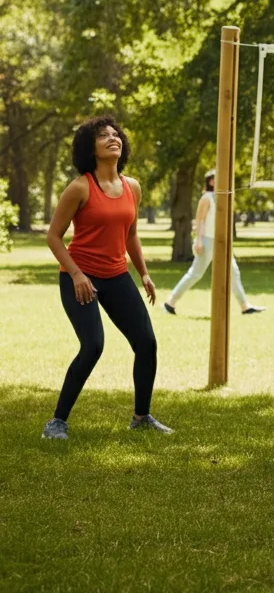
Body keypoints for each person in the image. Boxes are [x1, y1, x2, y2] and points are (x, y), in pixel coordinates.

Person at [42, 117, 171, 440]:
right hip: (80, 277)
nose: (112, 138)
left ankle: (141, 417)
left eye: (116, 135)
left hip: (117, 276)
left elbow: (131, 235)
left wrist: (143, 273)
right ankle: (57, 422)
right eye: (103, 136)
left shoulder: (133, 187)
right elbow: (54, 237)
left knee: (146, 342)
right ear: (91, 147)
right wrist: (76, 274)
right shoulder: (80, 187)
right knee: (92, 346)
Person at [163, 169, 265, 316]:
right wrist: (198, 241)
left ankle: (245, 306)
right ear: (211, 181)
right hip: (207, 241)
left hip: (221, 241)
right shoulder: (206, 198)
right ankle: (170, 302)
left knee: (233, 272)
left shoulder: (223, 197)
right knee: (195, 274)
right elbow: (200, 220)